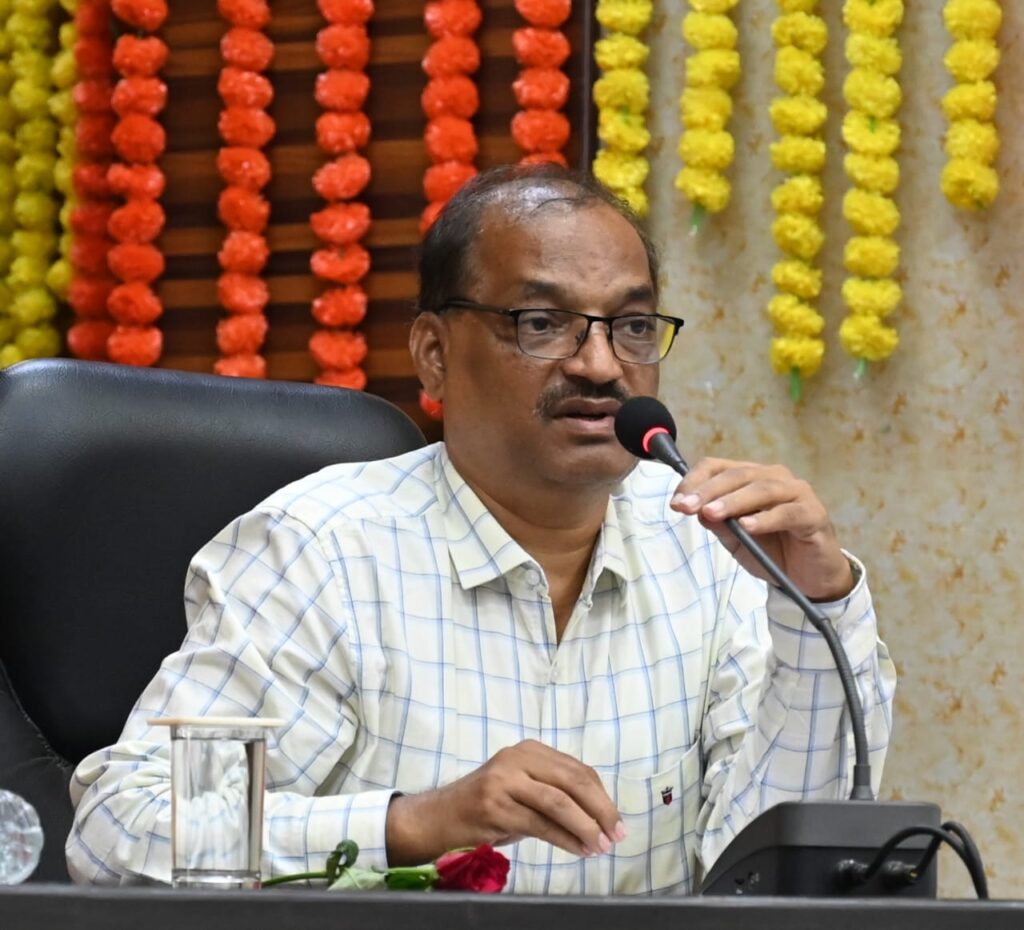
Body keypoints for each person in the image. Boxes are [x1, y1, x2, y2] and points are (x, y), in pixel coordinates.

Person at [67, 165, 895, 895]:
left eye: (632, 326)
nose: (601, 365)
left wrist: (815, 606)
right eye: (543, 322)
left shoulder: (710, 550)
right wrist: (417, 823)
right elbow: (119, 831)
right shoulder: (321, 550)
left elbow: (777, 867)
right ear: (434, 354)